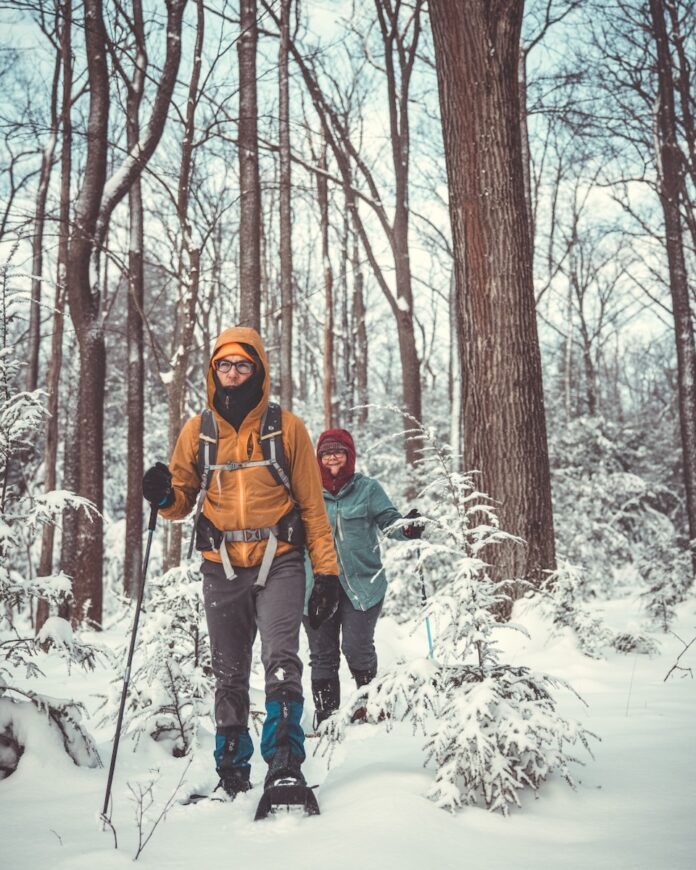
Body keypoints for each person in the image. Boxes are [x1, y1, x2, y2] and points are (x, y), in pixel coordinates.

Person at [142, 327, 339, 799]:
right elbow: (182, 500)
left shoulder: (286, 428)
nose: (233, 373)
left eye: (242, 365)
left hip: (281, 562)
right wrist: (164, 494)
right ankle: (231, 767)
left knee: (281, 660)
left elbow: (312, 506)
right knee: (229, 669)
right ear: (214, 371)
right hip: (221, 565)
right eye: (224, 365)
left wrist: (327, 572)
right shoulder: (198, 430)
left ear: (258, 369)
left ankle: (286, 762)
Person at [303, 428, 422, 727]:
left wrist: (407, 528)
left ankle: (368, 706)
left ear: (350, 456)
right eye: (326, 452)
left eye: (338, 451)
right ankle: (326, 715)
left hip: (362, 585)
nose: (332, 457)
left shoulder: (367, 489)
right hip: (315, 586)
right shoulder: (305, 490)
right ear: (318, 458)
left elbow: (389, 522)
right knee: (322, 653)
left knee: (356, 646)